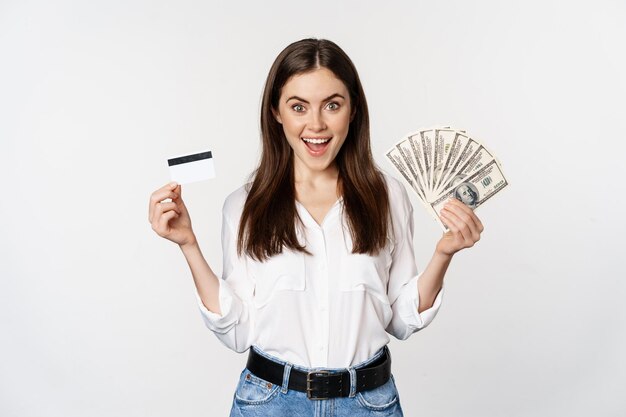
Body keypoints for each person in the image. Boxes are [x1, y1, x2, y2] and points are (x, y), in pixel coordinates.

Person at [148, 38, 483, 416]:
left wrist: (443, 253)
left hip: (367, 403)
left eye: (332, 105)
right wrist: (188, 244)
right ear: (276, 112)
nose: (317, 124)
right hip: (270, 404)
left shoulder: (387, 196)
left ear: (353, 110)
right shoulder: (243, 206)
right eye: (298, 107)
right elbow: (238, 331)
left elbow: (401, 320)